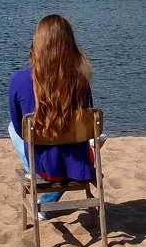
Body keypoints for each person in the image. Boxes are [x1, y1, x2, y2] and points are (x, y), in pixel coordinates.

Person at [9, 14, 95, 209]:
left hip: (45, 168)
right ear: (70, 45)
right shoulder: (81, 81)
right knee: (76, 127)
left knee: (15, 127)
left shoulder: (19, 80)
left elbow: (18, 126)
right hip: (78, 165)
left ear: (37, 43)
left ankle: (35, 175)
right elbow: (87, 118)